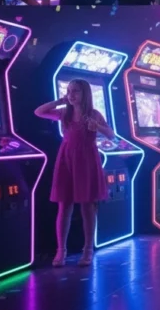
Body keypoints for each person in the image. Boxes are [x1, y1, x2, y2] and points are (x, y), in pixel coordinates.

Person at [34, 79, 113, 267]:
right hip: (67, 159)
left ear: (85, 93)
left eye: (75, 91)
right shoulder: (64, 113)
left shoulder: (94, 114)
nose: (71, 95)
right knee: (64, 205)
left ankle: (88, 250)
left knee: (87, 206)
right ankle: (61, 250)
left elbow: (111, 134)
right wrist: (59, 101)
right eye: (69, 91)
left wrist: (98, 127)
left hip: (87, 160)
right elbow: (38, 111)